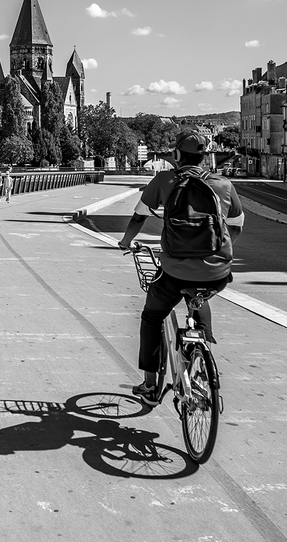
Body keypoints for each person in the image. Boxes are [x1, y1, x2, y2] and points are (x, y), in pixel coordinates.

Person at [117, 131, 244, 406]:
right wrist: (220, 249)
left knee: (152, 316)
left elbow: (139, 216)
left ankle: (150, 387)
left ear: (176, 156)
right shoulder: (222, 184)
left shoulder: (164, 180)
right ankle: (202, 355)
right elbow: (236, 225)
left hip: (175, 271)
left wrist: (126, 241)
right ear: (205, 157)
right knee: (199, 298)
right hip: (217, 273)